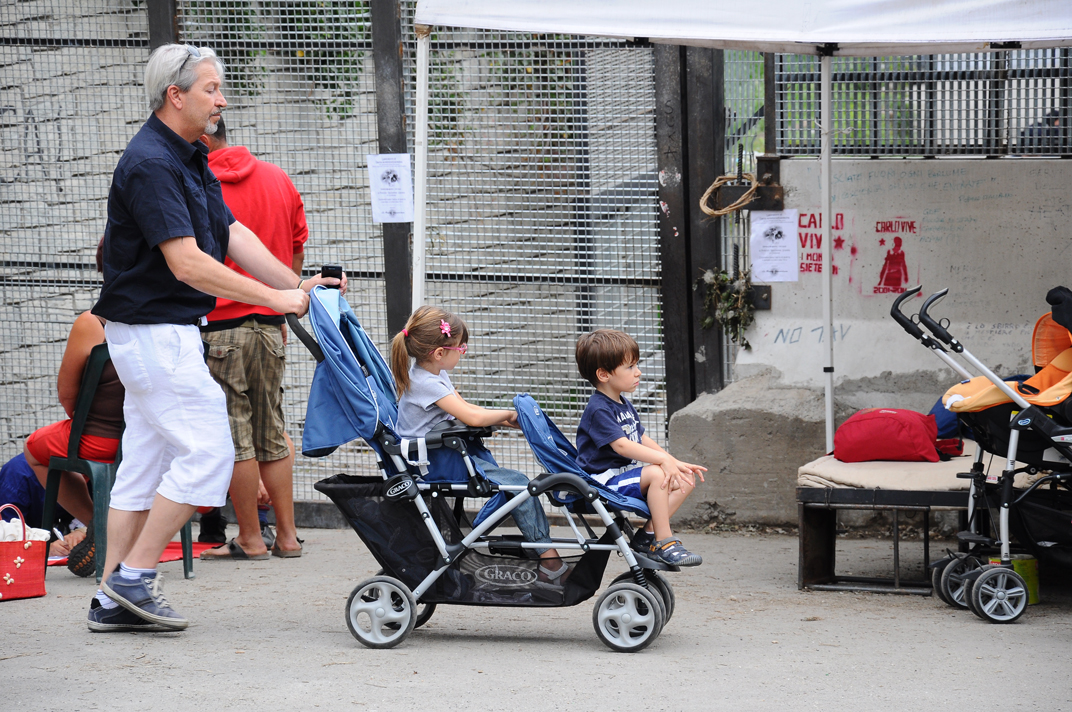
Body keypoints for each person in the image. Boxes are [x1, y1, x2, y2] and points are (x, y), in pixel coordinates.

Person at [87, 43, 343, 634]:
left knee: (143, 468)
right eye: (211, 89)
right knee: (209, 456)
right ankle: (132, 577)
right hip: (156, 335)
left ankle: (109, 598)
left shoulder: (186, 154)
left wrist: (296, 283)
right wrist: (275, 299)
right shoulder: (151, 163)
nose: (221, 101)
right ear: (175, 95)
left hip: (157, 334)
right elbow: (186, 263)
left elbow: (230, 233)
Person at [390, 306, 568, 582]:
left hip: (446, 453)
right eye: (461, 348)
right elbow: (471, 417)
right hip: (433, 463)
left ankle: (472, 538)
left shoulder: (433, 374)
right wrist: (509, 413)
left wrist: (506, 420)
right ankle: (549, 560)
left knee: (510, 485)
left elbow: (466, 408)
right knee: (518, 485)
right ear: (439, 353)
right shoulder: (426, 383)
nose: (463, 353)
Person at [196, 117, 304, 561]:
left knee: (236, 434)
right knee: (272, 430)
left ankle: (250, 538)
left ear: (202, 138)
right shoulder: (277, 178)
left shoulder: (197, 184)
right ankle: (288, 537)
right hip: (271, 323)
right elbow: (296, 248)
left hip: (220, 326)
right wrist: (283, 303)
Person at [21, 240, 123, 573]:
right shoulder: (177, 323)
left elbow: (68, 395)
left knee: (34, 450)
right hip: (159, 440)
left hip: (103, 440)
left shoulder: (93, 322)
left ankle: (100, 522)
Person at [574, 329, 705, 567]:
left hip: (623, 477)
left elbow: (640, 437)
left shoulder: (622, 403)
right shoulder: (598, 408)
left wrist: (673, 462)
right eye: (630, 367)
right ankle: (664, 541)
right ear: (603, 374)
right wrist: (662, 462)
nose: (638, 372)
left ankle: (647, 536)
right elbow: (623, 446)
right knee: (656, 473)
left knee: (684, 478)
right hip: (603, 482)